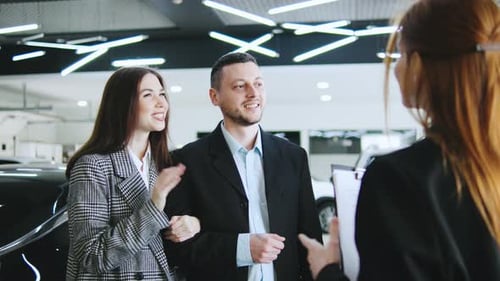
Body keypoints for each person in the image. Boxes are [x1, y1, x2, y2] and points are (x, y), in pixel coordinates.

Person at [299, 0, 500, 280]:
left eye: (401, 56)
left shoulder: (398, 180)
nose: (396, 69)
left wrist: (326, 269)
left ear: (418, 65)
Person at [164, 52, 323, 281]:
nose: (253, 92)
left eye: (258, 83)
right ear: (214, 96)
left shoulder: (293, 157)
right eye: (240, 86)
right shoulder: (186, 161)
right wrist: (242, 249)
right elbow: (177, 248)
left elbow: (310, 239)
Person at [65, 67, 201, 280]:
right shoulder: (93, 167)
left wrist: (193, 224)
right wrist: (154, 206)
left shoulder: (164, 164)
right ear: (123, 104)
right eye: (148, 95)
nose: (161, 103)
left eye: (162, 94)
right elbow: (91, 257)